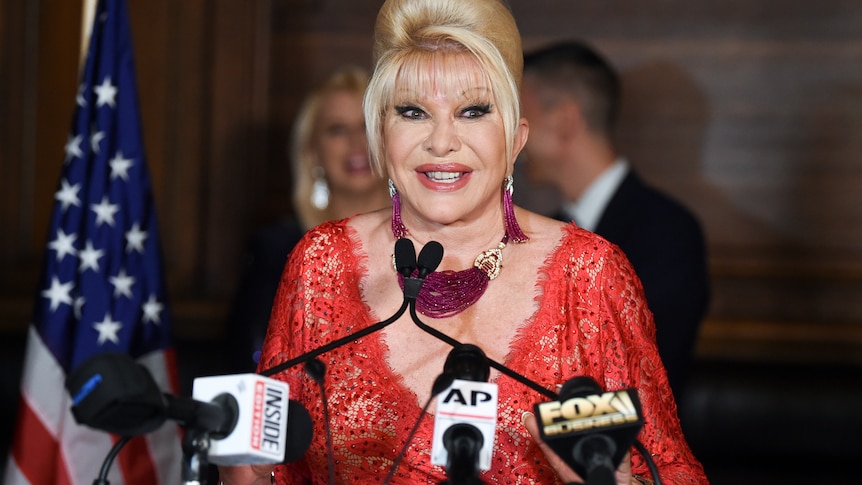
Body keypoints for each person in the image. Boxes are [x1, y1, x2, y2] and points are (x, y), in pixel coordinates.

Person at [219, 0, 707, 483]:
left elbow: (670, 472)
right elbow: (262, 469)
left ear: (516, 140)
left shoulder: (590, 275)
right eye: (412, 112)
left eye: (473, 111)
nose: (441, 141)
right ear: (380, 137)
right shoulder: (321, 264)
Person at [520, 40, 710, 404]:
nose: (514, 138)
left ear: (564, 120)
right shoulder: (545, 233)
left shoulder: (668, 232)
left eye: (522, 118)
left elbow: (646, 379)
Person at [225, 65, 390, 372]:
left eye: (367, 126)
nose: (357, 143)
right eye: (337, 130)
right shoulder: (276, 250)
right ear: (312, 152)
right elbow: (253, 360)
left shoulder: (427, 243)